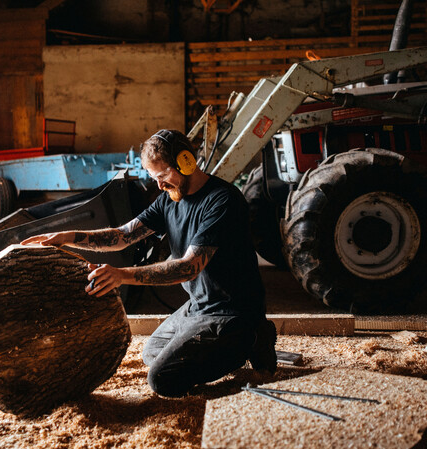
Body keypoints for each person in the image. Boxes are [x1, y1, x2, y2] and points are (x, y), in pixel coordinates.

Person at [21, 129, 276, 397]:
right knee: (152, 352)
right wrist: (69, 236)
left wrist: (121, 275)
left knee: (162, 379)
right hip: (199, 306)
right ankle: (225, 346)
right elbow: (122, 236)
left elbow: (188, 267)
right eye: (154, 178)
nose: (160, 185)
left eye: (163, 176)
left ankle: (253, 338)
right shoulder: (169, 200)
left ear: (186, 161)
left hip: (231, 310)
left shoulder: (223, 201)